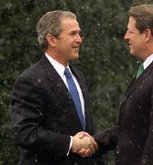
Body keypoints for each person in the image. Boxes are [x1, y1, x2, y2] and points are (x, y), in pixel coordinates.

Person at [93, 4, 153, 165]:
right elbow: (133, 126)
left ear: (146, 34)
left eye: (130, 31)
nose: (125, 36)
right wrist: (95, 142)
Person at [11, 10, 101, 165]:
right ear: (51, 39)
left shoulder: (78, 76)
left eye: (79, 34)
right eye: (73, 34)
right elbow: (25, 132)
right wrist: (70, 143)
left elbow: (84, 128)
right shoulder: (30, 79)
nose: (79, 40)